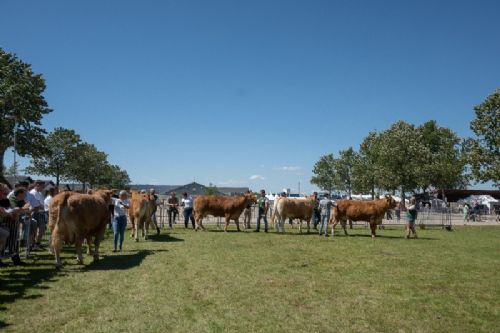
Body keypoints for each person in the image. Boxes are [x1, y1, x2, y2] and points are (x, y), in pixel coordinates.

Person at [0, 183, 27, 266]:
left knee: (13, 240)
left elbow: (26, 207)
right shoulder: (12, 198)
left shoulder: (6, 200)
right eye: (4, 192)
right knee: (10, 240)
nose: (6, 193)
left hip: (11, 223)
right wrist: (15, 212)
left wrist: (17, 211)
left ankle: (15, 258)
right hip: (8, 223)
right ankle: (13, 258)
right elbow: (8, 212)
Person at [29, 180, 46, 249]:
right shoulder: (33, 192)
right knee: (34, 230)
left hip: (40, 212)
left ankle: (37, 243)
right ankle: (33, 244)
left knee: (42, 228)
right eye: (42, 186)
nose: (43, 187)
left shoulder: (39, 193)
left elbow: (41, 203)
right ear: (37, 185)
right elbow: (37, 203)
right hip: (35, 212)